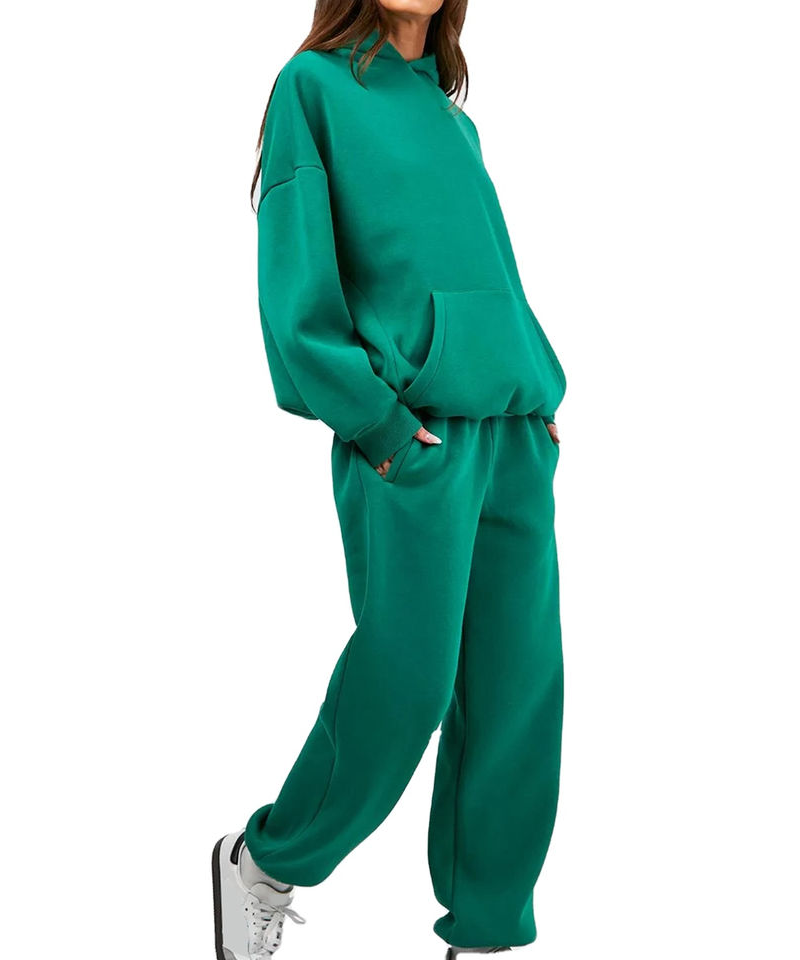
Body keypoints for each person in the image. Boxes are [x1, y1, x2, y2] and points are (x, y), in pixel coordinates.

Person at [212, 3, 567, 958]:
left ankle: (485, 935)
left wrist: (537, 395)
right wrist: (380, 426)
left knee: (517, 696)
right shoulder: (314, 88)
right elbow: (295, 290)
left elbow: (488, 272)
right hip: (412, 443)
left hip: (511, 437)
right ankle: (266, 860)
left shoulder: (450, 112)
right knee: (407, 682)